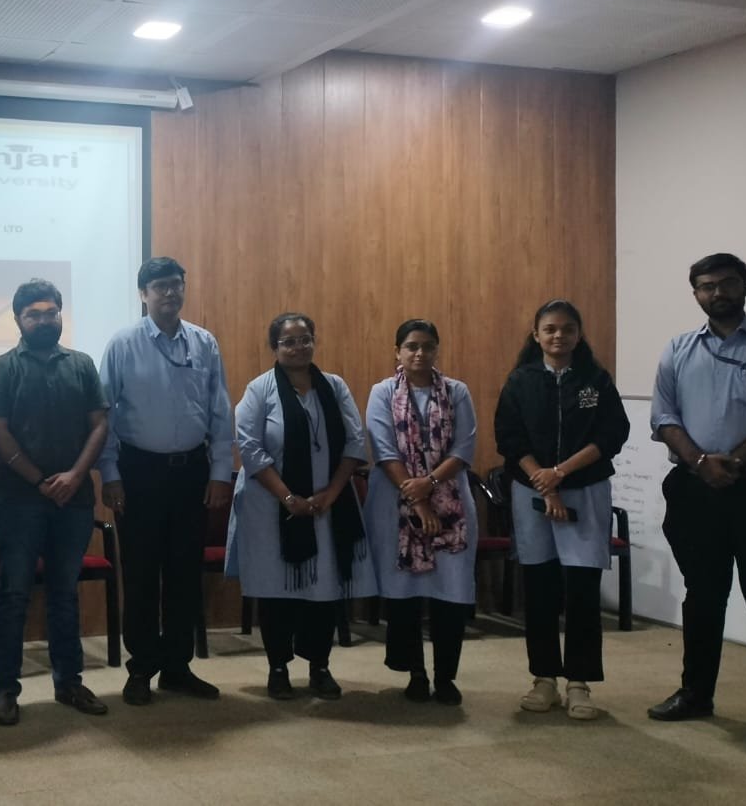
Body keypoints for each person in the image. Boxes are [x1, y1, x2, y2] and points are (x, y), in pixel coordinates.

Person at [646, 253, 746, 747]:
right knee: (703, 597)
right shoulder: (678, 348)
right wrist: (700, 463)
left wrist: (732, 462)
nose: (718, 293)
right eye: (707, 285)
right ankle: (696, 693)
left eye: (728, 283)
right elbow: (663, 416)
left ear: (745, 287)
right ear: (696, 293)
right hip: (695, 493)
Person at [97, 257, 232, 706]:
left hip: (192, 472)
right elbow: (104, 415)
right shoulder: (123, 344)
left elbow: (220, 410)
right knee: (140, 573)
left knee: (183, 573)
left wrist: (220, 472)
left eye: (176, 284)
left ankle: (177, 667)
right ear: (143, 294)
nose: (170, 293)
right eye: (160, 286)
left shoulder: (204, 342)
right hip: (139, 472)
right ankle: (141, 668)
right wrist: (111, 474)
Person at [0, 279, 110, 726]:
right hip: (18, 500)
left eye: (50, 312)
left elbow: (99, 424)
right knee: (13, 594)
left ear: (60, 315)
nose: (43, 320)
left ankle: (69, 682)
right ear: (18, 319)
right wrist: (39, 481)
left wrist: (75, 476)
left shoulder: (82, 364)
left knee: (64, 594)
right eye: (33, 314)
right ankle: (5, 690)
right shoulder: (1, 367)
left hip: (74, 499)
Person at [494, 299, 629, 720]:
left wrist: (561, 473)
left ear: (578, 334)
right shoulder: (520, 380)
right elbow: (509, 439)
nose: (558, 336)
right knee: (540, 587)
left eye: (567, 329)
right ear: (536, 335)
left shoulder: (595, 380)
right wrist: (543, 480)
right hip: (531, 491)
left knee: (583, 589)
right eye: (550, 329)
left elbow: (612, 434)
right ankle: (545, 679)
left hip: (585, 490)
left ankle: (579, 683)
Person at [227, 312, 373, 701]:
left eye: (305, 339)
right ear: (274, 347)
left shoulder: (334, 387)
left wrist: (331, 494)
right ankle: (278, 669)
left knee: (323, 592)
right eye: (288, 341)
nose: (298, 347)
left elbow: (354, 442)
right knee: (276, 593)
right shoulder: (259, 390)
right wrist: (288, 498)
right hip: (272, 508)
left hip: (327, 506)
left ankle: (319, 667)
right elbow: (250, 449)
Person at [363, 319, 477, 706]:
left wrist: (428, 484)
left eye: (428, 346)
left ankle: (445, 678)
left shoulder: (457, 391)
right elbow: (383, 450)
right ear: (397, 351)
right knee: (405, 594)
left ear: (436, 350)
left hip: (451, 508)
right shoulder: (382, 392)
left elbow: (464, 447)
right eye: (411, 346)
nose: (419, 353)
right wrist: (418, 500)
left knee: (451, 594)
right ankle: (415, 673)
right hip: (394, 504)